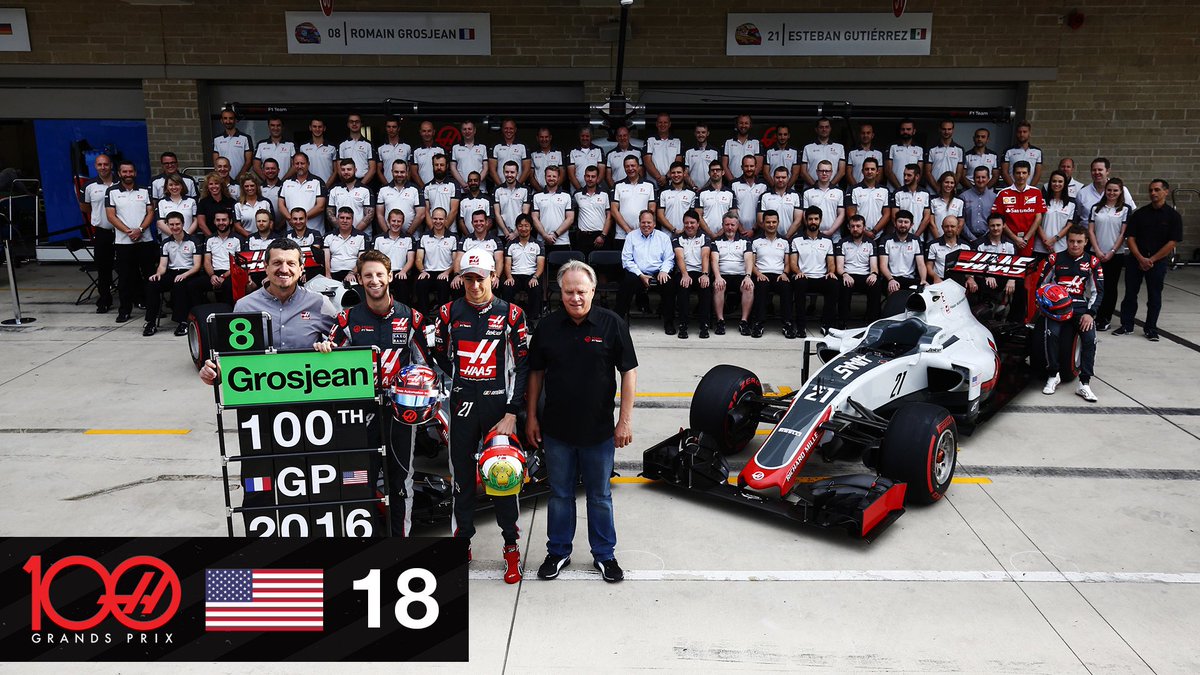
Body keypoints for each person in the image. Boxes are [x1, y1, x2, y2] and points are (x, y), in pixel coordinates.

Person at [526, 259, 637, 583]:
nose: (576, 298)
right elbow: (535, 375)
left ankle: (604, 555)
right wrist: (532, 417)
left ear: (593, 291)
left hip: (599, 432)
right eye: (569, 292)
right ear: (560, 292)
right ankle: (558, 552)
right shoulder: (547, 327)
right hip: (557, 431)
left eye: (582, 292)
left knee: (599, 496)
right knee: (560, 495)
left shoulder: (612, 324)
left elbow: (628, 373)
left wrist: (625, 422)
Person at [431, 248, 529, 581]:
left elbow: (522, 364)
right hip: (461, 406)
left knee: (504, 477)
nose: (474, 285)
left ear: (493, 277)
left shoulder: (512, 313)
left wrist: (512, 411)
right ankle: (463, 542)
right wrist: (458, 383)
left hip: (497, 408)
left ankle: (511, 546)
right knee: (461, 480)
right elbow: (441, 356)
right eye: (468, 278)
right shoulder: (447, 312)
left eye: (480, 278)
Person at [316, 249, 430, 537]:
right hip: (359, 413)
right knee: (358, 481)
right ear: (360, 279)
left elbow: (427, 368)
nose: (374, 280)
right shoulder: (346, 320)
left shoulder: (412, 318)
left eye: (380, 274)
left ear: (390, 277)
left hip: (401, 413)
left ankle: (399, 543)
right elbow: (327, 365)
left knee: (400, 483)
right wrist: (325, 352)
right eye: (368, 275)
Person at [198, 238, 338, 386]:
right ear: (266, 267)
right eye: (277, 263)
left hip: (308, 389)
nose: (284, 269)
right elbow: (231, 357)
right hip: (261, 393)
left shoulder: (320, 303)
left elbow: (343, 344)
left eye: (291, 263)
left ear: (301, 268)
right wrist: (215, 372)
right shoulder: (244, 306)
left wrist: (329, 348)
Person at [1115, 179, 1182, 341]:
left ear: (1166, 191)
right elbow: (1130, 238)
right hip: (1135, 260)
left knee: (1154, 296)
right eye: (1151, 190)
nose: (1153, 193)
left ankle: (1151, 328)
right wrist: (1140, 258)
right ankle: (1126, 325)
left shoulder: (1173, 216)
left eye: (1157, 190)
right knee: (1130, 294)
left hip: (1157, 262)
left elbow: (1172, 241)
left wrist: (1151, 259)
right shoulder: (1140, 214)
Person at [1039, 226, 1101, 402]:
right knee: (1050, 334)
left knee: (1089, 338)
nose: (1074, 245)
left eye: (1079, 242)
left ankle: (1084, 383)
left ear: (1086, 242)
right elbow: (1041, 285)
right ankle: (1053, 375)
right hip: (1057, 308)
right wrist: (1046, 305)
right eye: (1071, 241)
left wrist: (1091, 313)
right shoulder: (1054, 258)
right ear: (1067, 241)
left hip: (1080, 307)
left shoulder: (1093, 262)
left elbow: (1098, 292)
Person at [105, 160, 156, 323]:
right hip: (123, 243)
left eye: (130, 172)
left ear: (135, 173)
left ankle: (153, 308)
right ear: (119, 174)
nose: (128, 175)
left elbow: (150, 212)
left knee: (150, 276)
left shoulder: (144, 190)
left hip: (145, 240)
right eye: (124, 172)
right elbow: (111, 216)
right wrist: (128, 231)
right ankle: (125, 310)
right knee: (125, 278)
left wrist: (139, 230)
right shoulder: (111, 191)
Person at [142, 211, 202, 337]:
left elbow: (197, 266)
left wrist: (184, 275)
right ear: (168, 225)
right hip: (172, 272)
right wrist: (158, 274)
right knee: (152, 284)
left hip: (189, 272)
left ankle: (183, 322)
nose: (175, 227)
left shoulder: (193, 241)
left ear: (183, 224)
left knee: (180, 284)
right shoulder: (166, 243)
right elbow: (163, 265)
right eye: (172, 225)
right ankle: (150, 322)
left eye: (177, 224)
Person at [616, 210, 675, 332]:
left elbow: (669, 259)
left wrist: (664, 271)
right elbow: (627, 260)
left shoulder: (663, 237)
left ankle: (669, 323)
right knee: (626, 283)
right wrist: (640, 275)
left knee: (669, 285)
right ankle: (619, 321)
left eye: (649, 222)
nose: (646, 225)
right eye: (643, 222)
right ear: (639, 223)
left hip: (658, 272)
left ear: (654, 224)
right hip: (637, 273)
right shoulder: (631, 236)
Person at [1085, 178, 1130, 330]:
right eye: (1109, 190)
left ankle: (1105, 318)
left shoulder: (1125, 209)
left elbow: (1123, 233)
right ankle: (1093, 314)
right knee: (1095, 286)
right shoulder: (1096, 208)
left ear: (1120, 192)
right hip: (1095, 253)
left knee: (1110, 287)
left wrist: (1112, 251)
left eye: (1115, 190)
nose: (1112, 193)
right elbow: (1090, 230)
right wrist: (1097, 250)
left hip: (1115, 255)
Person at [789, 206, 837, 335]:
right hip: (803, 276)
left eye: (816, 219)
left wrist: (831, 272)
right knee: (799, 283)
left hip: (821, 277)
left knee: (833, 283)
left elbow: (831, 263)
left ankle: (827, 325)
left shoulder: (827, 241)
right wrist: (798, 272)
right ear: (806, 220)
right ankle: (801, 326)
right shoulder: (796, 240)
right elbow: (793, 263)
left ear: (820, 220)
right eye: (810, 219)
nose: (813, 222)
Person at [80, 153, 116, 313]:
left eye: (106, 164)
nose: (103, 167)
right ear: (95, 166)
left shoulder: (121, 182)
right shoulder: (89, 186)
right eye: (100, 165)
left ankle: (136, 297)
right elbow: (85, 207)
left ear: (111, 165)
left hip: (123, 233)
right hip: (102, 232)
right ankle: (105, 300)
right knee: (104, 268)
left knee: (128, 266)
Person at [710, 211, 755, 336]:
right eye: (727, 224)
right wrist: (718, 277)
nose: (730, 227)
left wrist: (748, 276)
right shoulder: (716, 241)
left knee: (749, 287)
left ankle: (744, 321)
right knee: (718, 286)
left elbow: (748, 259)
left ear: (737, 225)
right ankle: (720, 321)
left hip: (740, 275)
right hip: (723, 274)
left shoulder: (745, 241)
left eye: (733, 225)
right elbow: (714, 260)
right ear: (723, 225)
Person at [750, 210, 794, 338]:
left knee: (786, 287)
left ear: (778, 223)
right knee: (761, 287)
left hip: (780, 275)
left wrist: (785, 273)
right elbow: (751, 263)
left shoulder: (785, 241)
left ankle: (787, 323)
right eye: (768, 222)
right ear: (763, 223)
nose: (771, 224)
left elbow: (787, 263)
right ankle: (759, 323)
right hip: (761, 273)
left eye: (774, 222)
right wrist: (758, 274)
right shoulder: (756, 241)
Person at [672, 209, 712, 339]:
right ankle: (683, 325)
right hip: (685, 272)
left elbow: (705, 256)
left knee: (705, 288)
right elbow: (679, 258)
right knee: (683, 289)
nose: (689, 226)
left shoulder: (704, 237)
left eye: (692, 223)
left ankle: (704, 325)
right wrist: (684, 274)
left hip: (701, 272)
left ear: (698, 224)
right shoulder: (677, 238)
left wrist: (705, 274)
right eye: (686, 223)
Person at [966, 214, 1017, 313]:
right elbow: (974, 266)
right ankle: (986, 311)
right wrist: (987, 275)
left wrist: (1012, 280)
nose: (995, 228)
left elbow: (1015, 265)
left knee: (1019, 284)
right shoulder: (979, 244)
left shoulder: (1010, 244)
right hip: (984, 278)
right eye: (992, 225)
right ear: (988, 226)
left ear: (1004, 226)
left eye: (998, 225)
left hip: (1004, 276)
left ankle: (1014, 320)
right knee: (984, 283)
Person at [836, 214, 881, 328]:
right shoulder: (842, 243)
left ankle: (872, 322)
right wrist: (845, 275)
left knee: (875, 285)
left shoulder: (871, 243)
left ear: (864, 227)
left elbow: (874, 265)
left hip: (865, 275)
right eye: (852, 226)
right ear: (848, 227)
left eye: (858, 226)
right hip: (848, 274)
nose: (855, 229)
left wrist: (874, 274)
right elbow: (839, 267)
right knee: (844, 285)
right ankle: (843, 322)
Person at [993, 160, 1045, 257]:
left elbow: (1038, 218)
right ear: (1013, 174)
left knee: (1023, 267)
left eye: (1024, 173)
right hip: (1007, 239)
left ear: (1029, 174)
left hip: (1028, 240)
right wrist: (1015, 238)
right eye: (1018, 173)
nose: (1021, 176)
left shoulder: (1036, 192)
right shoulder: (1003, 193)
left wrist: (1025, 239)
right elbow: (999, 219)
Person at [502, 213, 545, 321]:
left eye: (526, 225)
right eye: (520, 226)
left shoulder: (538, 244)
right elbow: (507, 264)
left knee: (535, 289)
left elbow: (540, 264)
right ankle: (509, 319)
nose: (523, 228)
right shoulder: (510, 244)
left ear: (531, 227)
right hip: (515, 275)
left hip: (531, 275)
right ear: (517, 228)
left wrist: (535, 277)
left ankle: (532, 320)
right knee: (507, 288)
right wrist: (509, 277)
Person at [414, 207, 458, 312]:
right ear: (431, 219)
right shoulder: (424, 237)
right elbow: (418, 259)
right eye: (435, 218)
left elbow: (456, 260)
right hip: (428, 272)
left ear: (446, 220)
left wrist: (447, 272)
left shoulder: (453, 238)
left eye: (441, 219)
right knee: (420, 284)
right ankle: (424, 318)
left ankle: (443, 318)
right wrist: (422, 271)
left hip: (446, 272)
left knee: (443, 285)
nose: (438, 221)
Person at [1075, 157, 1135, 230]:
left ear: (1108, 171)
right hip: (1087, 237)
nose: (1097, 172)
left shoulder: (1122, 190)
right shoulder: (1082, 193)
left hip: (1115, 236)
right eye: (1094, 170)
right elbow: (1078, 216)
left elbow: (1131, 214)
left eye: (1100, 170)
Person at [877, 209, 926, 298]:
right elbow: (882, 265)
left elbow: (921, 264)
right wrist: (890, 279)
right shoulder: (886, 240)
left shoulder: (916, 240)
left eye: (906, 222)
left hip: (910, 278)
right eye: (900, 222)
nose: (903, 225)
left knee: (924, 293)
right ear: (895, 223)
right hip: (891, 277)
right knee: (893, 291)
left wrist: (923, 280)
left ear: (911, 225)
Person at [278, 152, 329, 236]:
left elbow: (320, 206)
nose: (299, 166)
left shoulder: (317, 182)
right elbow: (280, 205)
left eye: (302, 163)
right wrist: (292, 219)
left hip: (315, 232)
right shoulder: (286, 182)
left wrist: (301, 219)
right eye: (297, 163)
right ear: (293, 165)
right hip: (291, 234)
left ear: (308, 164)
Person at [454, 209, 504, 294]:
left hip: (487, 274)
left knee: (496, 284)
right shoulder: (466, 240)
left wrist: (497, 277)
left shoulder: (495, 240)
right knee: (457, 284)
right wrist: (457, 275)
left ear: (487, 222)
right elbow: (458, 259)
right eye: (475, 221)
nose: (478, 224)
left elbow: (499, 261)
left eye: (481, 221)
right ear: (472, 223)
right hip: (469, 273)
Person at [373, 208, 416, 306]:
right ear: (388, 221)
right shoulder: (378, 239)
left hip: (400, 271)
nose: (396, 224)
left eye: (399, 221)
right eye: (393, 221)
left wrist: (404, 271)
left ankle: (404, 313)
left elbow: (411, 259)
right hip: (383, 272)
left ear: (402, 222)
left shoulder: (408, 239)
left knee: (402, 282)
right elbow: (374, 259)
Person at [611, 155, 657, 246]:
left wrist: (643, 228)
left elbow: (652, 208)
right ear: (624, 168)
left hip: (644, 234)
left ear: (638, 167)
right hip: (622, 235)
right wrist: (628, 230)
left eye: (633, 165)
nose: (630, 168)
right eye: (627, 166)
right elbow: (614, 210)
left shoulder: (649, 185)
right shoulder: (618, 185)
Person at [376, 160, 426, 237]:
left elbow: (421, 214)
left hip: (412, 237)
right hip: (389, 238)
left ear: (407, 172)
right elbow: (379, 214)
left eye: (402, 172)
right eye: (396, 172)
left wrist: (408, 234)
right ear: (392, 172)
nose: (399, 174)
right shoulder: (383, 190)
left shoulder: (416, 189)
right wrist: (388, 234)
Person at [846, 157, 891, 239]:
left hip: (879, 235)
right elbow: (851, 214)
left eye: (872, 169)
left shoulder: (885, 190)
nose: (869, 172)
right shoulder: (854, 190)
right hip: (858, 234)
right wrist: (864, 231)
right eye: (867, 169)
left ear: (877, 171)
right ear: (862, 171)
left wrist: (874, 231)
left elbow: (887, 214)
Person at [802, 160, 846, 243]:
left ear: (831, 172)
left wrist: (830, 231)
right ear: (817, 172)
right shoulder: (807, 192)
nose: (824, 173)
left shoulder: (839, 192)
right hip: (812, 236)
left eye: (827, 171)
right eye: (821, 171)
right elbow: (805, 214)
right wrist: (816, 232)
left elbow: (842, 214)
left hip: (834, 237)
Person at [571, 165, 611, 256]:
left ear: (597, 178)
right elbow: (573, 216)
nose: (590, 179)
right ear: (584, 177)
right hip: (583, 237)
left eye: (593, 176)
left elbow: (609, 216)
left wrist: (603, 236)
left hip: (601, 235)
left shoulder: (605, 194)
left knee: (601, 266)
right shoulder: (577, 194)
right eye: (588, 176)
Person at [327, 158, 374, 235]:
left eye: (349, 169)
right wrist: (343, 231)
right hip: (339, 236)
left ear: (355, 170)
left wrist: (353, 232)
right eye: (343, 169)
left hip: (362, 235)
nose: (346, 172)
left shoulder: (365, 190)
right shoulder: (334, 190)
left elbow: (369, 216)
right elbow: (330, 214)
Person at [203, 210, 241, 304]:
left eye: (224, 220)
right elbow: (207, 261)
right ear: (214, 222)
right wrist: (212, 276)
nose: (221, 223)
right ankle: (202, 313)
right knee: (193, 285)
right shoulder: (209, 239)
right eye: (218, 220)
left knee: (228, 286)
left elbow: (238, 263)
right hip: (213, 273)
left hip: (231, 273)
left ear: (230, 221)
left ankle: (227, 314)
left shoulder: (238, 239)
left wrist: (224, 276)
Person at [530, 166, 573, 247]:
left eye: (554, 176)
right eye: (549, 176)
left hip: (562, 241)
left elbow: (570, 218)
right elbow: (534, 218)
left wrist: (555, 235)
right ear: (545, 177)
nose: (551, 178)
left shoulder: (566, 196)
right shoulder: (537, 196)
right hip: (542, 241)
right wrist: (545, 235)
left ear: (559, 178)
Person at [1037, 170, 1076, 255]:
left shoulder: (1071, 204)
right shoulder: (1041, 200)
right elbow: (1037, 223)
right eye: (1054, 181)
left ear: (1065, 184)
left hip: (1060, 248)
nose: (1057, 184)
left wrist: (1053, 240)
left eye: (1060, 181)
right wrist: (1045, 241)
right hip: (1040, 247)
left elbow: (1069, 225)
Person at [800, 117, 846, 188]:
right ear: (816, 129)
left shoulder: (839, 147)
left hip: (833, 190)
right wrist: (816, 186)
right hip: (811, 189)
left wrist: (830, 186)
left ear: (830, 129)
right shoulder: (808, 148)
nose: (824, 129)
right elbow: (803, 172)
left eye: (827, 127)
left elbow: (842, 171)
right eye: (821, 127)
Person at [324, 207, 367, 282]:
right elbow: (326, 258)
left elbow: (361, 259)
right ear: (337, 219)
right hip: (333, 273)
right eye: (342, 218)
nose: (344, 221)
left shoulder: (362, 236)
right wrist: (328, 274)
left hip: (354, 274)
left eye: (348, 218)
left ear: (352, 220)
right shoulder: (328, 236)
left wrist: (352, 273)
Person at [924, 215, 971, 284]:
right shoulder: (933, 245)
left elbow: (969, 268)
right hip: (940, 280)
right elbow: (929, 266)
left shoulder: (966, 246)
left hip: (959, 281)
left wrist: (970, 278)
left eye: (952, 226)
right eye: (946, 226)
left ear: (958, 227)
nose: (949, 229)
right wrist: (935, 277)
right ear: (942, 227)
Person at [891, 163, 932, 240]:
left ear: (917, 176)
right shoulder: (897, 193)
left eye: (909, 175)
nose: (905, 178)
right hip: (900, 237)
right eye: (904, 175)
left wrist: (916, 236)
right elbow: (894, 216)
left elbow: (926, 217)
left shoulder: (925, 193)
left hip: (919, 237)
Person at [759, 165, 802, 238]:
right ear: (773, 178)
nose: (780, 180)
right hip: (770, 238)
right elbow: (760, 220)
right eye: (777, 177)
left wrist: (786, 237)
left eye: (783, 177)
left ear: (788, 178)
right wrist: (776, 237)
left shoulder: (796, 196)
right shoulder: (765, 196)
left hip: (791, 238)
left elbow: (798, 220)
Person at [695, 160, 735, 238]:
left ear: (723, 172)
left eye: (718, 170)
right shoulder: (701, 193)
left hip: (725, 234)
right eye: (712, 170)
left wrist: (721, 232)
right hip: (705, 235)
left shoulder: (730, 193)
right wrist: (710, 233)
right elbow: (698, 216)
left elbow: (733, 215)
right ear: (709, 173)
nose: (715, 172)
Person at [493, 161, 530, 241]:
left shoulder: (525, 190)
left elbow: (525, 213)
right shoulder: (497, 190)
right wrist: (506, 231)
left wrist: (516, 233)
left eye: (512, 172)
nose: (509, 175)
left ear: (517, 173)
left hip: (520, 233)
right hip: (503, 234)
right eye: (507, 172)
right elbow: (497, 213)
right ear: (503, 172)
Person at [657, 161, 697, 235]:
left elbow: (692, 216)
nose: (676, 175)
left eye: (679, 172)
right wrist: (673, 230)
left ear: (684, 174)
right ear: (670, 174)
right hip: (666, 235)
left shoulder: (692, 194)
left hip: (685, 235)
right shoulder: (663, 192)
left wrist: (684, 230)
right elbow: (660, 216)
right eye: (673, 173)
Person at [423, 154, 460, 234]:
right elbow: (426, 211)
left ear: (446, 166)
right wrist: (434, 229)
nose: (439, 167)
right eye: (436, 165)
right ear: (433, 166)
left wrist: (443, 230)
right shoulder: (427, 187)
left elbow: (454, 210)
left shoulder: (454, 185)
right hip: (431, 231)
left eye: (442, 165)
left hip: (451, 231)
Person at [731, 154, 767, 235]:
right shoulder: (734, 184)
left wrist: (754, 229)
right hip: (738, 231)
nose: (749, 169)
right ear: (742, 167)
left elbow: (764, 211)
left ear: (756, 167)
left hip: (759, 230)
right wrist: (741, 229)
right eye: (746, 166)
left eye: (751, 166)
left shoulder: (763, 185)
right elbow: (732, 210)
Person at [213, 108, 253, 179]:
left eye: (231, 118)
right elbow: (216, 162)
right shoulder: (217, 139)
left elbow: (249, 161)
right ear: (221, 121)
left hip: (240, 179)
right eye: (225, 118)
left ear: (235, 120)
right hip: (223, 179)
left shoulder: (245, 138)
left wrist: (239, 177)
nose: (228, 121)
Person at [644, 113, 682, 188]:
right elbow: (647, 161)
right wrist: (659, 178)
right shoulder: (650, 140)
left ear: (669, 124)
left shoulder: (677, 141)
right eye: (660, 122)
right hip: (652, 184)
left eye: (665, 122)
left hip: (672, 183)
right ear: (656, 124)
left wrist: (666, 177)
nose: (662, 125)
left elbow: (678, 162)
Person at [1001, 121, 1043, 187]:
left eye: (1024, 132)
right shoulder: (1008, 151)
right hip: (1012, 189)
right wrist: (1014, 188)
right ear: (1016, 133)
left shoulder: (1037, 151)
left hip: (1030, 189)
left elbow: (1038, 173)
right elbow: (1004, 172)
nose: (1022, 134)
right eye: (1019, 132)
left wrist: (1030, 188)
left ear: (1029, 133)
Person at [961, 165, 997, 242]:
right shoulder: (963, 197)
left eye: (983, 177)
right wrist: (972, 238)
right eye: (978, 177)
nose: (980, 180)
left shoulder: (995, 198)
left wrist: (985, 237)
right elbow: (961, 220)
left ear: (988, 179)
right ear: (973, 179)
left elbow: (996, 220)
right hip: (967, 240)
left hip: (989, 239)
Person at [489, 118, 530, 187]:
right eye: (506, 128)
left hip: (519, 189)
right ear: (502, 129)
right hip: (500, 188)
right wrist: (501, 187)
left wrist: (517, 186)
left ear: (515, 129)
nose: (508, 131)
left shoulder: (523, 146)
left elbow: (527, 169)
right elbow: (492, 170)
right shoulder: (496, 146)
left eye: (511, 128)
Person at [925, 120, 964, 191]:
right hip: (932, 191)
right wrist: (937, 189)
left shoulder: (959, 149)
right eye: (944, 129)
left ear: (953, 130)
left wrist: (951, 188)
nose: (946, 132)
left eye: (949, 129)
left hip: (950, 192)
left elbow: (959, 173)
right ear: (939, 129)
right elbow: (927, 172)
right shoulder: (931, 149)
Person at [253, 116, 295, 181]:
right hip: (267, 187)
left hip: (286, 185)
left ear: (282, 127)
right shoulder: (261, 144)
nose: (275, 128)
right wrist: (267, 181)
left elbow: (294, 166)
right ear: (268, 127)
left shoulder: (291, 144)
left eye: (278, 125)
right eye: (272, 125)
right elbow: (256, 166)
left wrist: (283, 181)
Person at [338, 112, 377, 184]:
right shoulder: (342, 144)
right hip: (346, 183)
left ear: (361, 124)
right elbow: (339, 168)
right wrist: (347, 184)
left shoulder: (368, 144)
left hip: (365, 183)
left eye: (357, 122)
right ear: (348, 124)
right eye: (351, 122)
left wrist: (361, 185)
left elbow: (373, 169)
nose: (354, 124)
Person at [155, 174, 198, 238]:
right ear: (166, 187)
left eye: (176, 184)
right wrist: (176, 237)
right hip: (168, 241)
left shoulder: (191, 201)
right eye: (171, 185)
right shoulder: (161, 202)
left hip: (188, 241)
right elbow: (160, 223)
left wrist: (186, 235)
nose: (174, 187)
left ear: (182, 186)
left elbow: (196, 220)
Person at [885, 119, 923, 191]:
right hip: (893, 190)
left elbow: (919, 172)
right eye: (903, 129)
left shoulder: (919, 149)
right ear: (900, 131)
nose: (905, 131)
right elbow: (888, 171)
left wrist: (910, 188)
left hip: (911, 191)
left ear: (914, 131)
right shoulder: (892, 147)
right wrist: (900, 189)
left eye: (908, 129)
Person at [196, 172, 237, 238]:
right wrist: (212, 239)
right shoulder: (203, 202)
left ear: (221, 185)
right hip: (210, 239)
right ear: (207, 186)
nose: (214, 186)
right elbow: (201, 224)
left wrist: (229, 238)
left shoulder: (231, 202)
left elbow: (235, 223)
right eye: (211, 184)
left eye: (216, 183)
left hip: (230, 240)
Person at [722, 114, 761, 183]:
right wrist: (733, 182)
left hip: (751, 184)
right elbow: (724, 165)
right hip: (732, 183)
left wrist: (749, 180)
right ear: (737, 125)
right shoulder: (728, 142)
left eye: (746, 123)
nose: (743, 126)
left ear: (750, 125)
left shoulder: (756, 143)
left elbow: (759, 165)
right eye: (741, 123)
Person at [299, 118, 338, 185]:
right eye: (314, 126)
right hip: (308, 186)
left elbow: (336, 170)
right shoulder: (303, 147)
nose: (317, 129)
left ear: (324, 128)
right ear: (310, 128)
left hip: (327, 186)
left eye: (320, 127)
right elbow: (299, 168)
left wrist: (326, 186)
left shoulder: (332, 147)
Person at [451, 120, 488, 190]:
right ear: (461, 131)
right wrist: (464, 184)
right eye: (464, 129)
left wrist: (476, 183)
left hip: (480, 189)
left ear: (474, 131)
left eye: (469, 129)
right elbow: (453, 168)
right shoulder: (455, 147)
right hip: (462, 189)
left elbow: (485, 168)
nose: (467, 131)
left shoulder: (482, 147)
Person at [375, 116, 412, 187]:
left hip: (404, 186)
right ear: (386, 128)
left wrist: (406, 184)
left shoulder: (407, 147)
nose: (391, 129)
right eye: (388, 127)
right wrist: (387, 186)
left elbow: (410, 168)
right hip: (387, 186)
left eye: (394, 127)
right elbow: (378, 170)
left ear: (398, 128)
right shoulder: (381, 148)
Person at [233, 173, 273, 238]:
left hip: (265, 238)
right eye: (246, 186)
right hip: (245, 238)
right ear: (242, 187)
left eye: (252, 185)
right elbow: (237, 225)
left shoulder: (266, 202)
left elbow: (271, 222)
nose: (249, 188)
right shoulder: (238, 205)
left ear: (256, 186)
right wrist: (251, 237)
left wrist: (264, 236)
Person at [567, 125, 605, 192]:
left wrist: (592, 189)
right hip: (576, 192)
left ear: (591, 136)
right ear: (579, 136)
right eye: (582, 136)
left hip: (595, 192)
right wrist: (581, 191)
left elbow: (601, 174)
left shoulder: (598, 150)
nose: (585, 138)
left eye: (587, 136)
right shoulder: (572, 151)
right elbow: (571, 176)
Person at [763, 123, 799, 189]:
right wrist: (774, 187)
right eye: (780, 134)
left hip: (789, 190)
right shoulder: (769, 151)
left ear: (789, 136)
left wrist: (786, 189)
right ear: (776, 135)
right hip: (772, 190)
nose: (782, 137)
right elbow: (766, 172)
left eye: (785, 134)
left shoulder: (794, 152)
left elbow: (795, 174)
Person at [929, 171, 964, 240]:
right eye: (946, 182)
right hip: (934, 240)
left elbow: (961, 223)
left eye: (952, 183)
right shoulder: (932, 201)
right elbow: (931, 223)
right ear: (941, 183)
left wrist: (952, 239)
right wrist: (939, 240)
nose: (949, 185)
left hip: (953, 242)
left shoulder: (959, 202)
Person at [684, 122, 719, 190]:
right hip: (692, 190)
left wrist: (704, 188)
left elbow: (717, 172)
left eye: (703, 132)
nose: (700, 135)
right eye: (698, 132)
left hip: (710, 190)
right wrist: (694, 187)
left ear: (707, 133)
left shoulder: (715, 152)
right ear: (695, 133)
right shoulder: (688, 152)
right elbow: (685, 173)